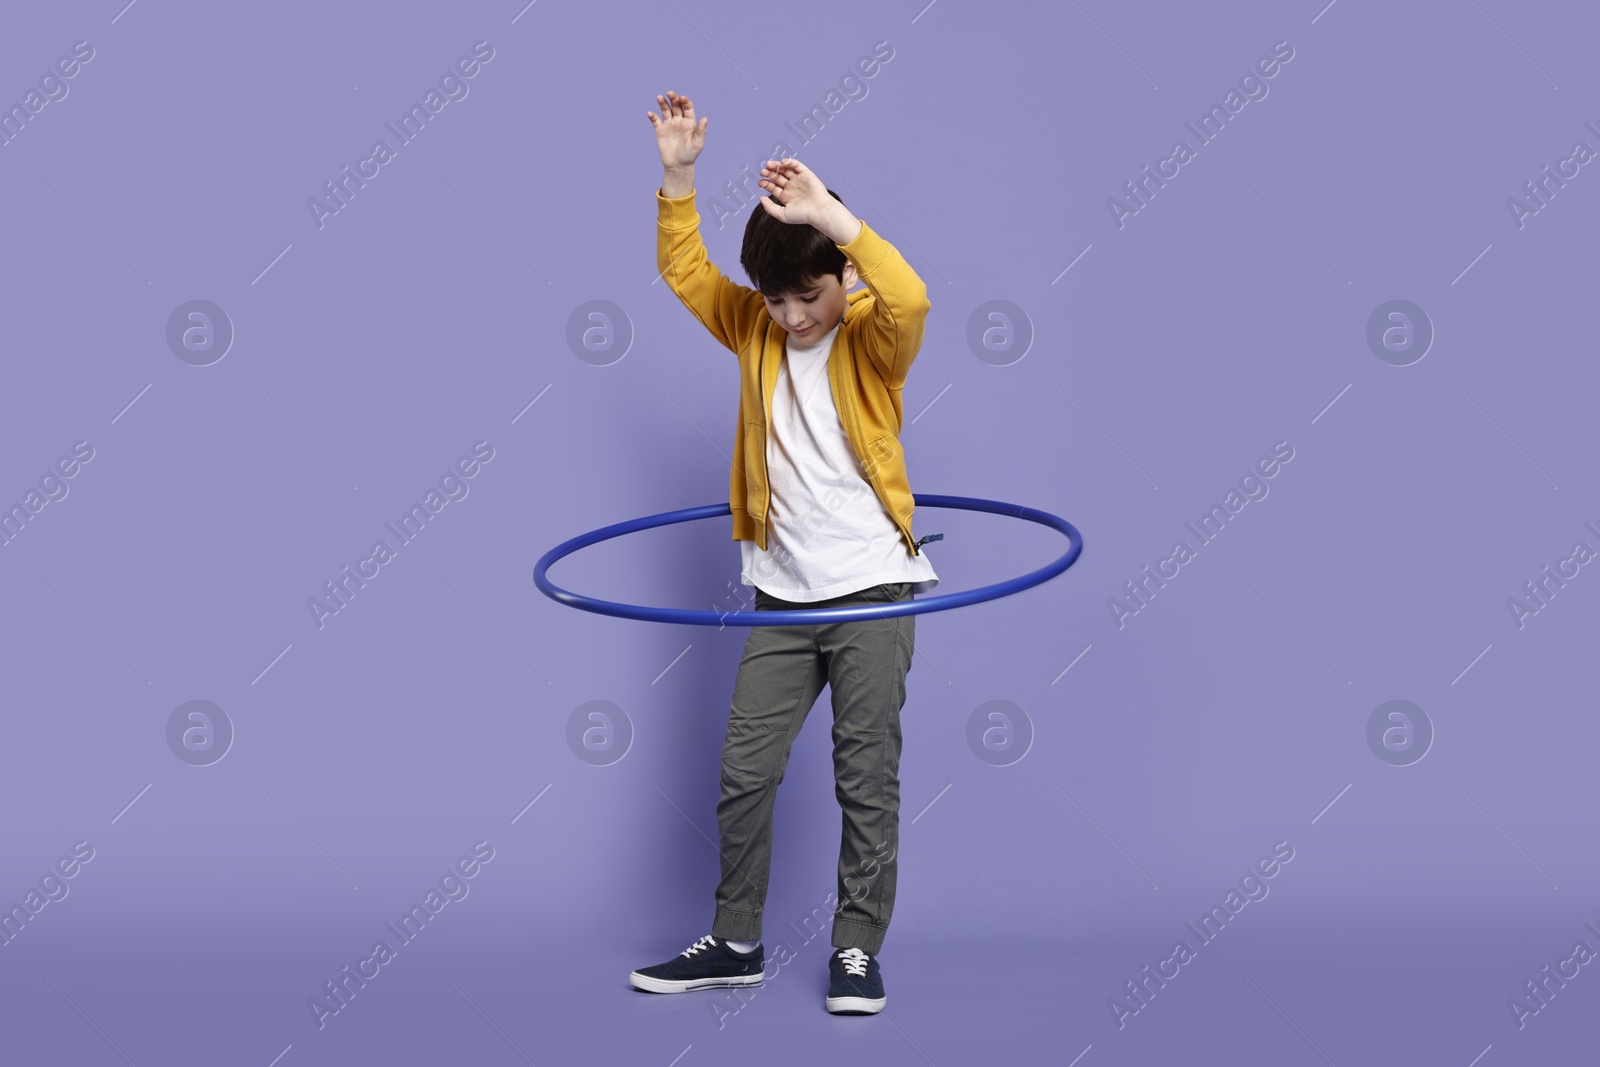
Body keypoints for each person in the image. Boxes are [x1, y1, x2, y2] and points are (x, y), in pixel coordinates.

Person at [628, 90, 938, 1015]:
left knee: (864, 773)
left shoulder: (874, 336)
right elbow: (687, 273)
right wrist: (679, 175)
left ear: (840, 274)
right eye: (777, 298)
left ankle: (855, 947)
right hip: (785, 595)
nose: (795, 316)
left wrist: (831, 217)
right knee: (742, 770)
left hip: (874, 589)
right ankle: (734, 941)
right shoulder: (754, 326)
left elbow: (912, 292)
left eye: (809, 293)